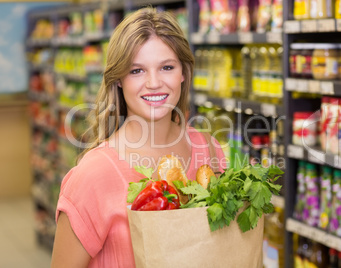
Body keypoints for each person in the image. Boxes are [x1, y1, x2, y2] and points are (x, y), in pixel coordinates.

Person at [50, 7, 227, 268]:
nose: (154, 83)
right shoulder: (93, 176)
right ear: (119, 79)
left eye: (166, 67)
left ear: (183, 74)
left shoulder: (209, 150)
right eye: (137, 71)